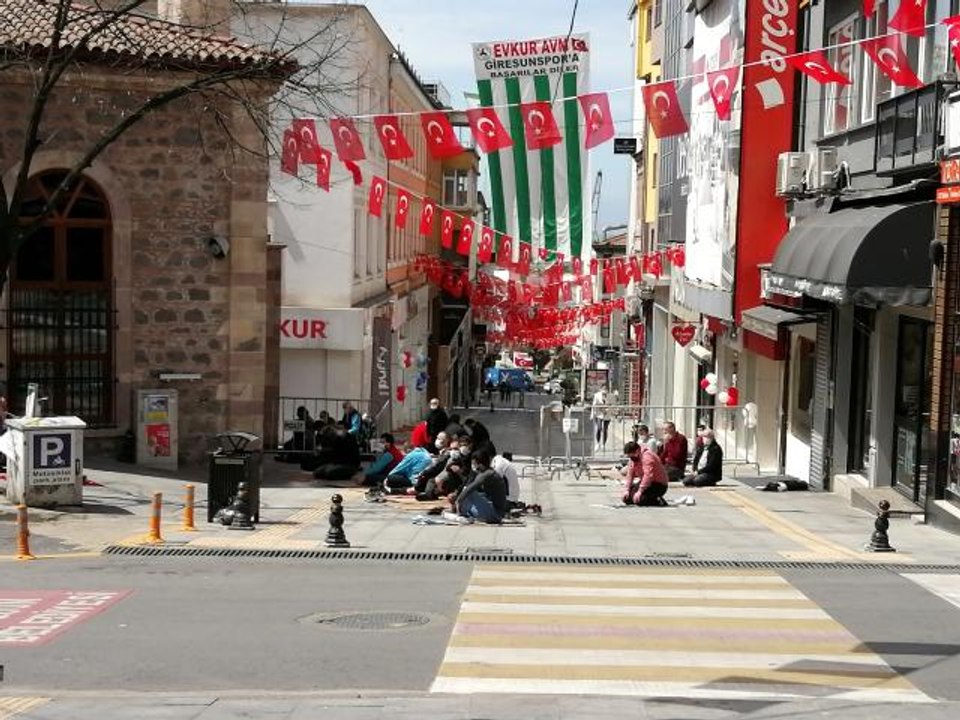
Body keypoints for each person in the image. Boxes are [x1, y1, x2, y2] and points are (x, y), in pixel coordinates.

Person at [455, 446, 507, 524]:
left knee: (469, 492)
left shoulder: (487, 474)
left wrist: (458, 501)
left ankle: (460, 512)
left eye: (474, 463)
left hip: (495, 514)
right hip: (493, 510)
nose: (473, 466)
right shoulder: (486, 473)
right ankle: (464, 512)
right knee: (471, 494)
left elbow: (470, 488)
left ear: (480, 464)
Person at [622, 440, 669, 506]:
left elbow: (648, 475)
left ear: (637, 451)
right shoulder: (633, 459)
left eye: (632, 456)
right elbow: (630, 474)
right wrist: (627, 489)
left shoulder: (647, 457)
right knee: (627, 499)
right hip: (646, 482)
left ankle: (658, 500)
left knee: (641, 500)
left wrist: (640, 491)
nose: (631, 458)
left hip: (658, 484)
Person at [591, 385, 611, 452]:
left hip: (607, 414)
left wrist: (608, 410)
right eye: (603, 389)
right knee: (599, 428)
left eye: (606, 389)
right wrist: (592, 414)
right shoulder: (597, 395)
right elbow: (594, 405)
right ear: (601, 389)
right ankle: (597, 443)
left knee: (605, 429)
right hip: (599, 414)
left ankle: (603, 444)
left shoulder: (610, 396)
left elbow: (612, 404)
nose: (605, 390)